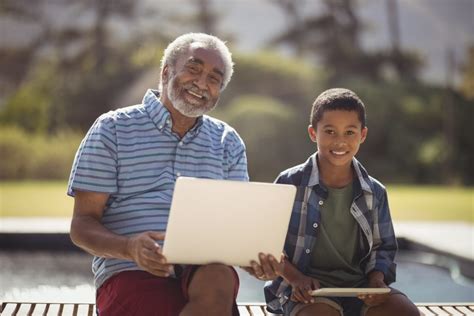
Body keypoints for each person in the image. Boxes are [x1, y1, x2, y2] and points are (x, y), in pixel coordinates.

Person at [68, 33, 249, 316]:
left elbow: (236, 228)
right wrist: (129, 248)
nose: (202, 83)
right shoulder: (112, 129)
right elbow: (81, 226)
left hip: (204, 269)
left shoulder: (228, 141)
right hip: (130, 270)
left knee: (219, 278)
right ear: (166, 72)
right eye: (193, 69)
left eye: (214, 78)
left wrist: (256, 260)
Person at [248, 88, 419, 316]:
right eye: (329, 131)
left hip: (360, 288)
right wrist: (296, 278)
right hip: (306, 291)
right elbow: (269, 244)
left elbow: (383, 248)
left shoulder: (374, 191)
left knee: (405, 312)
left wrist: (376, 280)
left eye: (349, 132)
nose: (340, 141)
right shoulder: (289, 183)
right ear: (313, 133)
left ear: (363, 135)